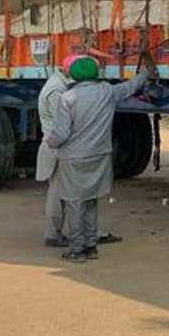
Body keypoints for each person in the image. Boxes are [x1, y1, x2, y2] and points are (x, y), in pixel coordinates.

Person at [44, 54, 154, 262]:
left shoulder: (67, 98)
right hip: (101, 155)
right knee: (91, 200)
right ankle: (91, 245)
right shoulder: (107, 91)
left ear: (74, 75)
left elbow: (60, 134)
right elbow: (130, 87)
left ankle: (78, 249)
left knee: (75, 203)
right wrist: (145, 74)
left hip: (74, 158)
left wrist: (50, 142)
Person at [36, 56, 124, 248]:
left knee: (72, 195)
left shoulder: (63, 87)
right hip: (61, 149)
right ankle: (70, 240)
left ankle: (81, 238)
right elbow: (63, 129)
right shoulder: (59, 92)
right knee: (69, 196)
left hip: (65, 147)